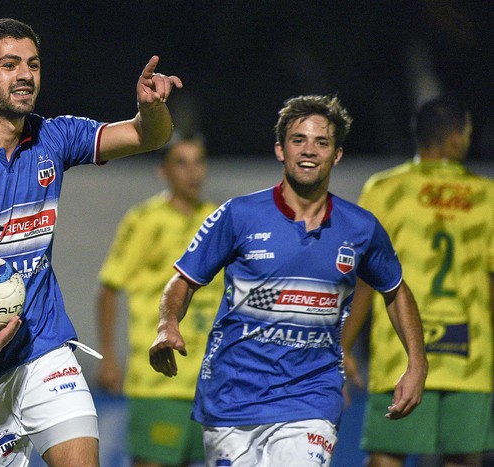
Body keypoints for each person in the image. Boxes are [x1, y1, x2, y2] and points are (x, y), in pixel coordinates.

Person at [0, 18, 182, 467]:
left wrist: (151, 109)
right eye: (9, 65)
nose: (25, 75)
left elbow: (147, 135)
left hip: (43, 348)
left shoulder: (54, 137)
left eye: (32, 64)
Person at [149, 95, 428, 466]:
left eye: (321, 142)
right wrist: (168, 324)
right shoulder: (238, 215)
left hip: (312, 396)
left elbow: (395, 290)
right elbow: (182, 282)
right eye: (299, 140)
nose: (309, 151)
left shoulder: (360, 228)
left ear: (337, 155)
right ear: (280, 150)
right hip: (233, 397)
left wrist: (417, 362)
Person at [342, 97, 494, 467]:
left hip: (401, 352)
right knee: (462, 460)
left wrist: (343, 345)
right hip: (471, 355)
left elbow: (365, 278)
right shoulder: (486, 196)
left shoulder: (386, 189)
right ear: (456, 138)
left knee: (387, 457)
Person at [96, 136, 224, 466]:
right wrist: (109, 356)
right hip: (158, 379)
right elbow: (110, 288)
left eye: (198, 162)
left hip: (210, 382)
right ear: (162, 171)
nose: (192, 172)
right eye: (181, 163)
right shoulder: (145, 220)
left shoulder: (218, 220)